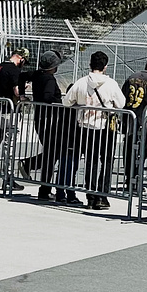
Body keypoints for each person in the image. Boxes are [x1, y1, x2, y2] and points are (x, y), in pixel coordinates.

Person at [61, 50, 126, 209]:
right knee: (107, 161)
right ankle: (102, 195)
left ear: (90, 64)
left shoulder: (81, 82)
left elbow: (66, 102)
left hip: (85, 127)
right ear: (105, 66)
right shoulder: (111, 84)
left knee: (91, 161)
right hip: (106, 127)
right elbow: (122, 104)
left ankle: (90, 195)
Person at [28, 51, 73, 203]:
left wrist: (20, 92)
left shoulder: (37, 75)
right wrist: (60, 104)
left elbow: (22, 77)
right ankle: (44, 188)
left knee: (51, 154)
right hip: (49, 120)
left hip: (41, 118)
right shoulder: (49, 79)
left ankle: (44, 186)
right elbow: (48, 97)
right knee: (51, 155)